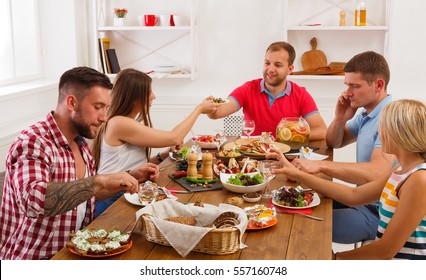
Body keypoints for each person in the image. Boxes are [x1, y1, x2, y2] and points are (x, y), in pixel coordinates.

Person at [0, 67, 159, 260]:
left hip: (74, 253)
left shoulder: (81, 144)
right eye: (98, 107)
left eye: (106, 108)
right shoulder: (33, 142)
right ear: (72, 102)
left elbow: (83, 198)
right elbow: (34, 200)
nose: (104, 117)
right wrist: (98, 181)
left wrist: (127, 177)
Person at [269, 99, 426, 259]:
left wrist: (336, 258)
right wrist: (299, 174)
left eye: (384, 126)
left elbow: (385, 251)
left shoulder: (419, 180)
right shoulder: (400, 170)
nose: (379, 130)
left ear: (401, 134)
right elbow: (354, 195)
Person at [290, 51, 396, 244]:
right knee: (295, 202)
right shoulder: (367, 114)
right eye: (347, 85)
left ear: (378, 85)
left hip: (379, 215)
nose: (347, 93)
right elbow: (334, 142)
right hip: (362, 201)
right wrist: (340, 118)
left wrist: (321, 166)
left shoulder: (390, 118)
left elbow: (376, 173)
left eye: (355, 86)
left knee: (303, 224)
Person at [91, 68, 220, 217]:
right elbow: (175, 137)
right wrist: (199, 109)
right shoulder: (119, 123)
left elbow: (129, 165)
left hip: (128, 192)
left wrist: (162, 156)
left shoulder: (124, 122)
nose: (154, 96)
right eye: (149, 92)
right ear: (135, 96)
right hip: (112, 201)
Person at [207, 41, 327, 141]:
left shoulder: (300, 94)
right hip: (252, 157)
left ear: (289, 69)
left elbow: (321, 131)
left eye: (278, 65)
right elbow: (217, 113)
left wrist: (291, 137)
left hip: (286, 158)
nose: (270, 69)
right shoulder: (248, 89)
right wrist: (210, 106)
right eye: (267, 63)